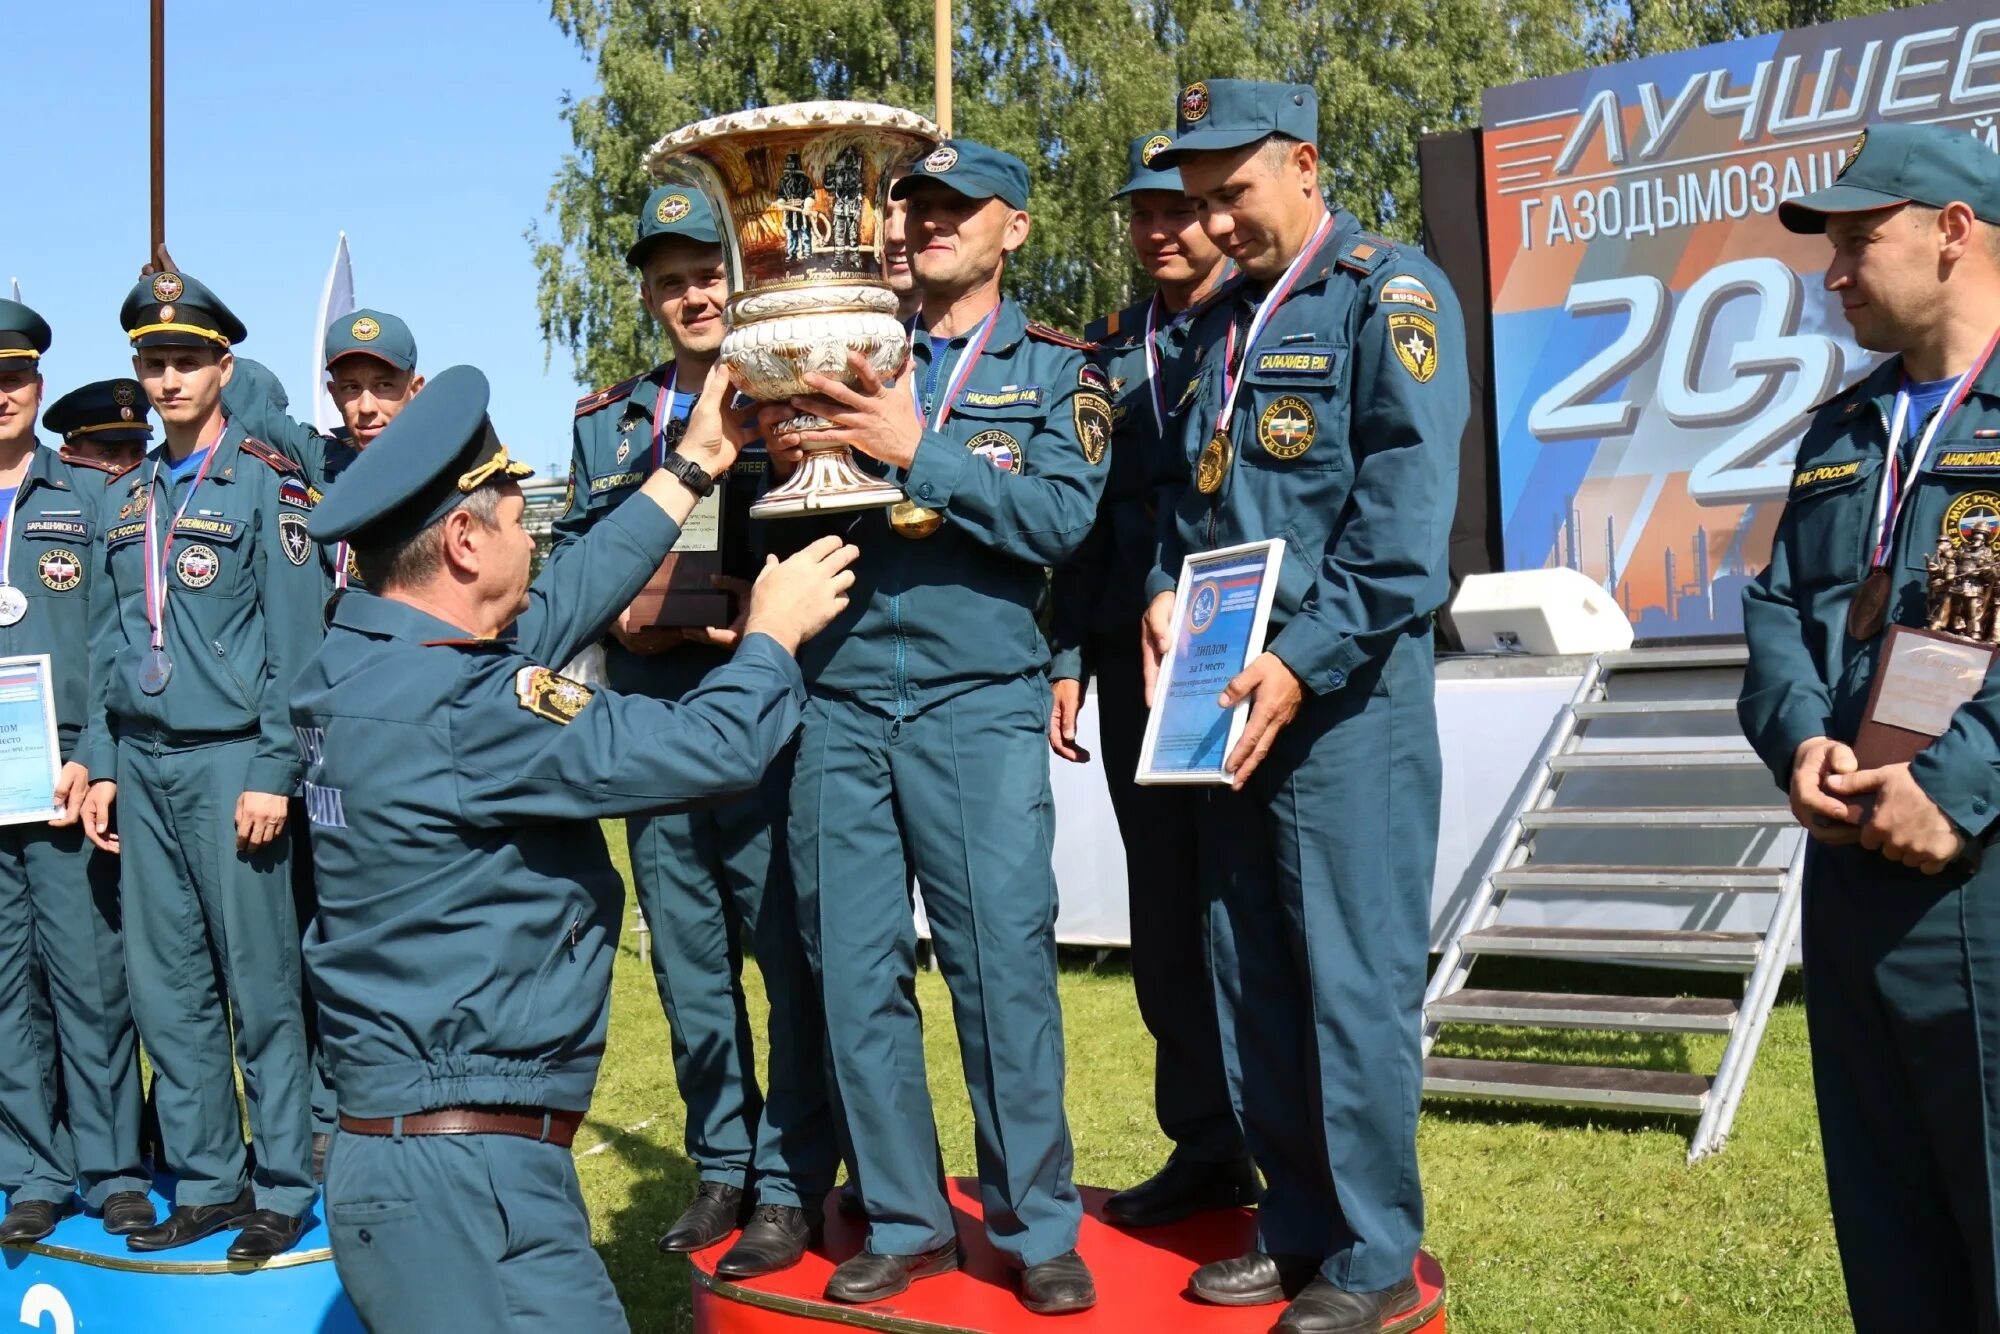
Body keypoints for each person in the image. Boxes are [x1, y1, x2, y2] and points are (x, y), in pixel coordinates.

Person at [295, 363, 855, 1334]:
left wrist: (690, 465)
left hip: (407, 1154)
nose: (532, 538)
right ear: (465, 541)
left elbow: (552, 610)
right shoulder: (465, 711)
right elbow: (708, 745)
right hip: (470, 1183)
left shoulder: (358, 660)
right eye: (517, 519)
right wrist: (769, 635)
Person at [763, 138, 1111, 1314]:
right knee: (853, 972)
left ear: (1012, 226)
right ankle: (906, 1217)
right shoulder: (837, 350)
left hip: (975, 701)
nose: (925, 226)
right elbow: (773, 525)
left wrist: (921, 449)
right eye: (913, 207)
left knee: (998, 968)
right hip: (841, 697)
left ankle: (1034, 1225)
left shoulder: (1059, 370)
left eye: (956, 210)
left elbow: (1063, 517)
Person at [1147, 81, 1466, 1334]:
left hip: (1343, 714)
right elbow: (1200, 503)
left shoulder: (1388, 295)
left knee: (1349, 980)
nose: (1215, 222)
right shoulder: (1217, 326)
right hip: (1230, 702)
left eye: (1234, 192)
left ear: (1304, 165)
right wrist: (1169, 598)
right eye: (1199, 200)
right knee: (1252, 974)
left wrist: (1301, 658)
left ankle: (1374, 1247)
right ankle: (1295, 1227)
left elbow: (1400, 538)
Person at [1741, 121, 2000, 1332]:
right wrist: (1800, 740)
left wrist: (1955, 785)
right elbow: (1779, 608)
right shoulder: (1841, 430)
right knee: (1888, 1238)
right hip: (1848, 873)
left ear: (1953, 233)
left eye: (1857, 239)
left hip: (1981, 877)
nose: (1830, 271)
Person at [555, 184, 836, 1277]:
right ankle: (718, 1158)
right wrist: (620, 607)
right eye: (668, 281)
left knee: (784, 949)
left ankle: (786, 1177)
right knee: (686, 960)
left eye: (706, 273)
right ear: (647, 294)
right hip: (647, 717)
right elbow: (578, 551)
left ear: (740, 276)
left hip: (760, 711)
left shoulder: (792, 392)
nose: (691, 295)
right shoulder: (607, 421)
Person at [76, 272, 324, 1259]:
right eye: (152, 360)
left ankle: (283, 1181)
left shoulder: (266, 479)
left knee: (259, 985)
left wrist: (275, 765)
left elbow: (297, 644)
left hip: (232, 766)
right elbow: (104, 642)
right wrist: (98, 760)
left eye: (186, 359)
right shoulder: (127, 493)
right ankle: (211, 1179)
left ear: (224, 366)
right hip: (140, 763)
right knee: (168, 989)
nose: (168, 377)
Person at [1047, 130, 1254, 1230]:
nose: (1159, 229)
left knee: (1248, 902)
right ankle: (1205, 1143)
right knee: (1166, 907)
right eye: (1141, 212)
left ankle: (1287, 1149)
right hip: (1139, 657)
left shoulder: (1260, 323)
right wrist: (1068, 654)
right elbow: (1082, 525)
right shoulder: (1109, 349)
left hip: (1243, 652)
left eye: (1178, 209)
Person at [0, 313, 153, 1244]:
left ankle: (111, 1166)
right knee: (3, 986)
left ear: (36, 381)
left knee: (90, 980)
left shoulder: (85, 497)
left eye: (14, 373)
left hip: (57, 772)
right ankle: (30, 1167)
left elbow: (113, 640)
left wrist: (96, 756)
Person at [221, 309, 428, 593]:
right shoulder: (322, 460)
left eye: (384, 386)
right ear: (334, 394)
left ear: (415, 389)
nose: (366, 407)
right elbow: (254, 413)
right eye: (352, 388)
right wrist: (190, 320)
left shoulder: (445, 471)